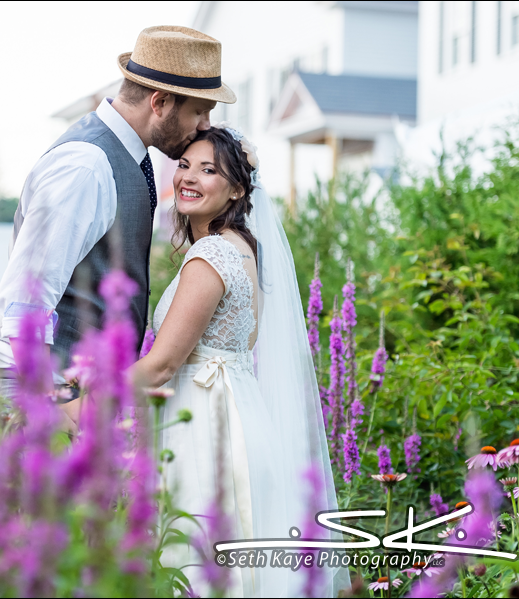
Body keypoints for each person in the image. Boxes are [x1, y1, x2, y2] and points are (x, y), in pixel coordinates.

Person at [0, 26, 236, 430]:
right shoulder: (87, 165)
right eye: (199, 111)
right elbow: (27, 299)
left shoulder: (130, 159)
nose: (204, 126)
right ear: (161, 102)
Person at [131, 127, 350, 597]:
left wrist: (90, 394)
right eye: (185, 165)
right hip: (238, 418)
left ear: (237, 189)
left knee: (197, 562)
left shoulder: (211, 256)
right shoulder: (243, 249)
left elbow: (164, 363)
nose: (189, 177)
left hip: (206, 428)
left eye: (209, 170)